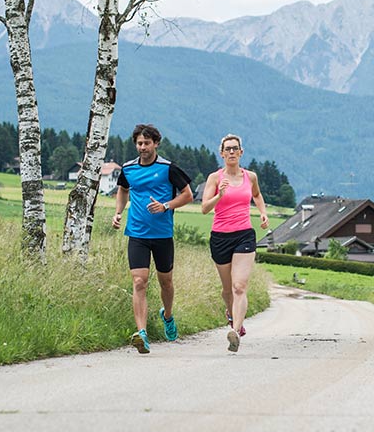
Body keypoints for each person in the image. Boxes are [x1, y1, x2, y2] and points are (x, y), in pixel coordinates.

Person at [112, 123, 194, 354]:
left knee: (166, 282)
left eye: (147, 143)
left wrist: (166, 205)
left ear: (156, 143)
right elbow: (123, 189)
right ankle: (142, 334)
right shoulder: (128, 168)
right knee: (139, 282)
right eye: (139, 143)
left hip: (162, 235)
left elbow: (188, 195)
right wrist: (118, 212)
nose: (143, 147)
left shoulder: (168, 168)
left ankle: (167, 315)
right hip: (137, 233)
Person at [200, 134, 270, 352]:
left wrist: (263, 213)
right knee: (227, 289)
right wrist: (219, 195)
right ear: (221, 153)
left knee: (239, 286)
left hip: (244, 235)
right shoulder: (214, 178)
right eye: (227, 149)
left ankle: (236, 331)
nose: (231, 152)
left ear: (241, 152)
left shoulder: (250, 177)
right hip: (220, 237)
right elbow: (204, 209)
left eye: (235, 149)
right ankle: (231, 314)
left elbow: (257, 196)